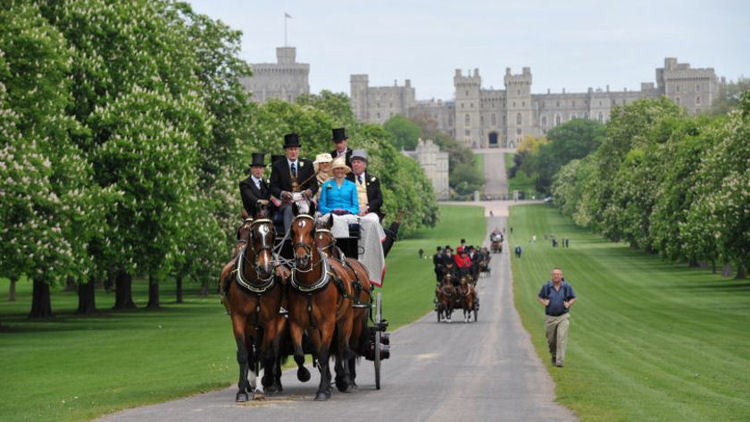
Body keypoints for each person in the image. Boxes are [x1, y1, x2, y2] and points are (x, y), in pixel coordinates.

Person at [269, 133, 318, 233]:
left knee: (311, 211)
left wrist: (309, 191)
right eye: (291, 149)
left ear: (298, 150)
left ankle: (311, 239)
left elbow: (314, 185)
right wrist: (283, 193)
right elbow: (273, 186)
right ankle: (288, 238)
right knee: (289, 210)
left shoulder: (307, 164)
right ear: (286, 150)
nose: (293, 152)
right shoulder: (278, 166)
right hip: (287, 202)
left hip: (304, 199)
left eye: (295, 149)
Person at [536, 268, 577, 367]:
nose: (556, 276)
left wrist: (568, 304)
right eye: (554, 274)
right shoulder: (547, 286)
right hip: (550, 318)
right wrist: (544, 302)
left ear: (561, 276)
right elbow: (539, 297)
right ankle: (554, 355)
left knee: (561, 337)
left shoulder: (567, 286)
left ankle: (560, 360)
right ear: (552, 276)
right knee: (551, 340)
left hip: (563, 316)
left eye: (558, 274)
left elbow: (573, 297)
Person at [346, 149, 383, 219]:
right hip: (351, 212)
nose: (356, 164)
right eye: (354, 162)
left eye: (358, 162)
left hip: (369, 212)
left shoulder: (373, 180)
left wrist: (367, 207)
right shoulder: (347, 180)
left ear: (365, 165)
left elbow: (379, 200)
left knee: (372, 220)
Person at [239, 153, 270, 218]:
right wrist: (263, 202)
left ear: (263, 170)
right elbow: (252, 199)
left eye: (260, 168)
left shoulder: (267, 184)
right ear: (251, 169)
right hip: (251, 215)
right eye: (256, 167)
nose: (258, 170)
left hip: (267, 215)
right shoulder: (245, 184)